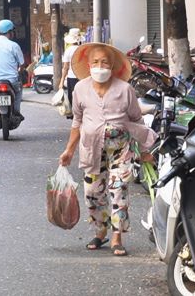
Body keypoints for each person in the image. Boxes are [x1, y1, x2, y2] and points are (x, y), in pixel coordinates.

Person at [58, 42, 157, 257]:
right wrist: (69, 151)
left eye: (104, 62)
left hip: (121, 149)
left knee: (119, 190)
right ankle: (100, 230)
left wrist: (144, 150)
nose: (100, 66)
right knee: (92, 193)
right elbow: (77, 121)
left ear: (112, 66)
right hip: (91, 149)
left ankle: (117, 236)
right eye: (95, 62)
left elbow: (137, 120)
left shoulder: (125, 89)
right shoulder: (80, 89)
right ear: (88, 65)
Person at [59, 28, 83, 119]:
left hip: (72, 78)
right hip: (82, 78)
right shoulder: (83, 49)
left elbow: (65, 67)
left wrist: (61, 81)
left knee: (73, 100)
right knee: (82, 99)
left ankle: (75, 119)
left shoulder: (68, 50)